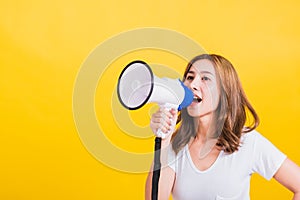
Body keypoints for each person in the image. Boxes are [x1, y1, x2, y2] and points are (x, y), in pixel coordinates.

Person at [145, 54, 300, 200]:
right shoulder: (175, 146)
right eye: (190, 77)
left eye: (205, 78)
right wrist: (163, 140)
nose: (193, 84)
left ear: (224, 92)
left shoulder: (248, 142)